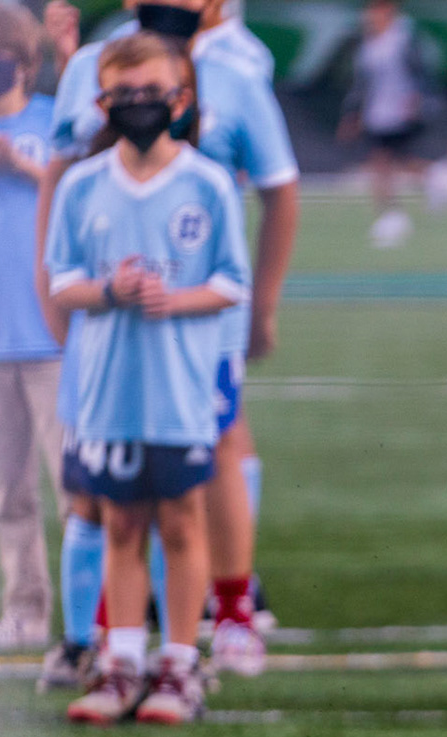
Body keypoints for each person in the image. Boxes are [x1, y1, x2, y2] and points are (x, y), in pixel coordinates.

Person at [42, 0, 298, 681]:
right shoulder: (96, 66)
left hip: (196, 325)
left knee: (216, 449)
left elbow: (277, 186)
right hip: (104, 320)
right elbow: (59, 172)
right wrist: (54, 295)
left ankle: (230, 612)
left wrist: (261, 308)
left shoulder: (236, 72)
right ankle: (100, 637)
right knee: (104, 483)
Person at [0, 0, 64, 654]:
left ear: (21, 59)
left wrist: (22, 164)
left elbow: (75, 197)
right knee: (9, 494)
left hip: (52, 333)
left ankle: (102, 611)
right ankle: (24, 610)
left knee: (75, 486)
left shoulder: (55, 124)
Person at [338, 0, 435, 247]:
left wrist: (416, 102)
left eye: (376, 11)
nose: (370, 16)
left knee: (403, 162)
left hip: (401, 113)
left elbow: (420, 74)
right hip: (376, 114)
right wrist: (353, 114)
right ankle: (392, 216)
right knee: (379, 164)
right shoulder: (368, 46)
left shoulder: (403, 40)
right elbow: (361, 84)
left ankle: (433, 180)